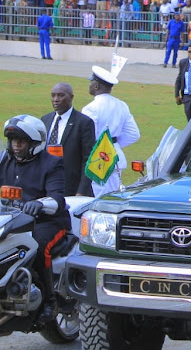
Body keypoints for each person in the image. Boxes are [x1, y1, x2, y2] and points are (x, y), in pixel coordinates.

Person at [0, 115, 69, 322]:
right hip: (10, 219)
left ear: (35, 143)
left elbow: (58, 198)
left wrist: (39, 203)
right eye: (13, 141)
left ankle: (49, 301)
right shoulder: (4, 160)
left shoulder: (52, 163)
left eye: (21, 141)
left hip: (47, 220)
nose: (16, 145)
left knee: (38, 245)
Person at [81, 66, 141, 197]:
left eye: (91, 82)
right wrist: (114, 145)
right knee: (115, 197)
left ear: (96, 86)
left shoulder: (90, 109)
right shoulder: (122, 105)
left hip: (98, 159)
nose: (89, 85)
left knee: (99, 199)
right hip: (115, 155)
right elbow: (133, 134)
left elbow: (87, 138)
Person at [41, 83, 96, 196]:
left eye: (61, 95)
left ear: (71, 97)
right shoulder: (45, 120)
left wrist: (81, 192)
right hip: (47, 188)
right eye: (53, 95)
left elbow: (89, 160)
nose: (56, 100)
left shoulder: (84, 123)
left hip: (72, 188)